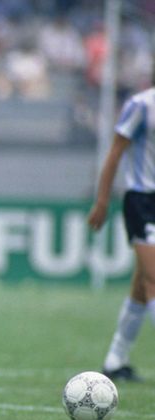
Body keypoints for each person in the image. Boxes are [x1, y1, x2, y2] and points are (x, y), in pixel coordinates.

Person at [87, 77, 155, 382]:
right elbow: (115, 152)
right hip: (143, 200)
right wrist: (102, 200)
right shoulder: (142, 105)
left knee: (142, 284)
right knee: (154, 279)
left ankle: (115, 360)